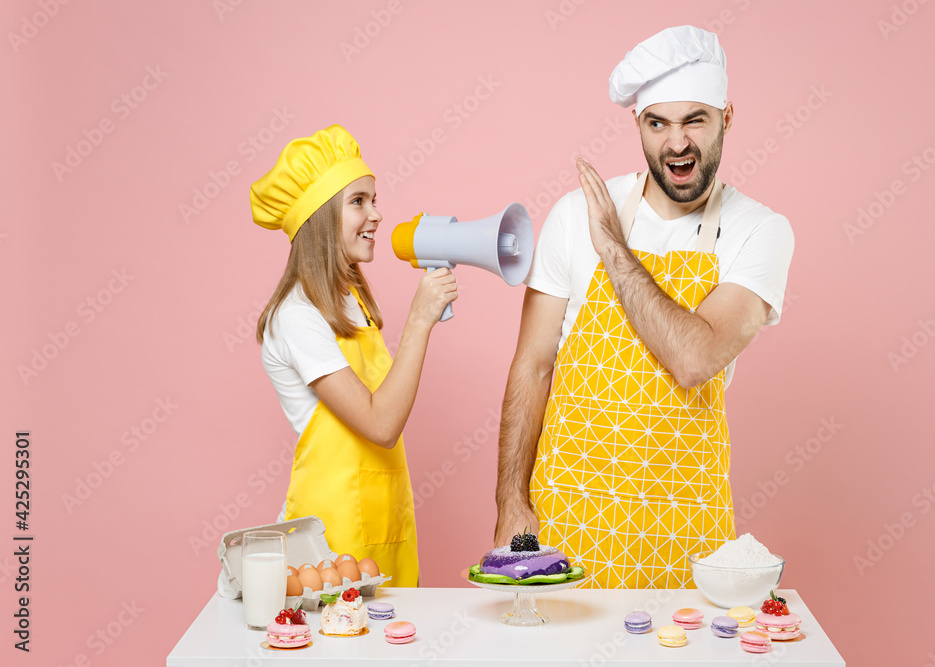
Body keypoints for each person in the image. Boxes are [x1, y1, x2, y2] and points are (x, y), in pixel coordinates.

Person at [493, 26, 794, 589]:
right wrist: (510, 503)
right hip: (565, 522)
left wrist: (613, 249)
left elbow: (694, 358)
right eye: (658, 123)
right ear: (638, 125)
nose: (676, 144)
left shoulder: (760, 232)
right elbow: (532, 366)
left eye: (694, 120)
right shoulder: (571, 216)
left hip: (684, 531)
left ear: (727, 117)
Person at [250, 124, 457, 587]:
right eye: (359, 201)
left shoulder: (352, 299)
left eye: (375, 199)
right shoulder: (298, 316)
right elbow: (380, 425)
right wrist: (420, 321)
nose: (377, 215)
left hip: (384, 520)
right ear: (321, 217)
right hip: (330, 535)